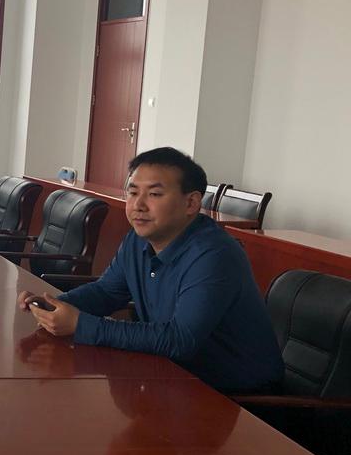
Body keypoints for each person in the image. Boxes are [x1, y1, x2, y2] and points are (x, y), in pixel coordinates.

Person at [18, 147, 283, 394]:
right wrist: (56, 305)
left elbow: (180, 340)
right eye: (133, 193)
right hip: (172, 378)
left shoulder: (214, 254)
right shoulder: (138, 239)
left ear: (191, 203)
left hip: (236, 398)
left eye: (154, 194)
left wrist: (80, 324)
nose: (138, 205)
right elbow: (107, 292)